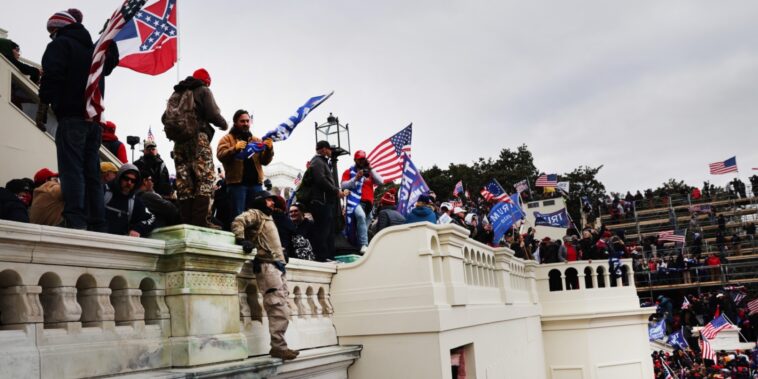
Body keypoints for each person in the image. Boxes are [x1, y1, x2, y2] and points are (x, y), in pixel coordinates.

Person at [37, 8, 119, 231]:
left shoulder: (59, 46)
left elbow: (52, 75)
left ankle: (75, 218)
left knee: (71, 169)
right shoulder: (93, 49)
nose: (51, 35)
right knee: (92, 172)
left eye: (51, 30)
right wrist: (109, 38)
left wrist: (46, 99)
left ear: (59, 28)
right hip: (94, 122)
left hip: (71, 117)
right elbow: (110, 65)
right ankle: (97, 221)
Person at [232, 191, 299, 361]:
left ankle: (280, 346)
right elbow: (238, 222)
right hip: (267, 266)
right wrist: (241, 240)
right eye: (269, 200)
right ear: (260, 201)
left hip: (276, 266)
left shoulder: (267, 218)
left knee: (282, 307)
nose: (272, 203)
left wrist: (282, 255)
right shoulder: (256, 214)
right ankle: (278, 347)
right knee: (277, 306)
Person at [165, 68, 228, 227]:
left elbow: (164, 118)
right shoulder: (203, 90)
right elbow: (213, 113)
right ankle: (200, 222)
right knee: (205, 177)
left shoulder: (176, 93)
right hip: (198, 138)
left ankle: (186, 221)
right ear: (206, 81)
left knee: (184, 181)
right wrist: (224, 124)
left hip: (179, 143)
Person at [216, 110, 273, 218]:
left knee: (257, 216)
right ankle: (239, 235)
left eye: (247, 121)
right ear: (235, 122)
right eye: (242, 121)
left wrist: (269, 149)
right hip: (237, 185)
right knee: (239, 217)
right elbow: (220, 155)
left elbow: (265, 161)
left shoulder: (256, 140)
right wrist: (235, 149)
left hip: (256, 185)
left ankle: (253, 235)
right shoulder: (227, 138)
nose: (246, 123)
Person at [307, 141, 345, 261]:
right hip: (320, 202)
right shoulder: (317, 161)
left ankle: (328, 256)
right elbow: (321, 180)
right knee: (323, 231)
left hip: (324, 201)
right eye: (329, 149)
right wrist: (335, 190)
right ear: (324, 149)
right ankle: (322, 257)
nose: (331, 152)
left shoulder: (321, 161)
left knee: (327, 230)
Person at [340, 150, 383, 252]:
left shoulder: (369, 172)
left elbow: (381, 181)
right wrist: (355, 178)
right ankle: (364, 245)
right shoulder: (348, 172)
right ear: (355, 160)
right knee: (360, 216)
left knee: (363, 228)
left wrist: (370, 168)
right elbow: (343, 185)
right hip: (355, 202)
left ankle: (358, 248)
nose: (362, 161)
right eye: (360, 159)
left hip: (369, 204)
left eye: (363, 159)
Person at [103, 164, 155, 237]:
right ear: (119, 177)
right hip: (94, 239)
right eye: (126, 178)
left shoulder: (134, 201)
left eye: (133, 181)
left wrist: (138, 229)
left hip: (118, 243)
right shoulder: (104, 191)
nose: (129, 183)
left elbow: (151, 218)